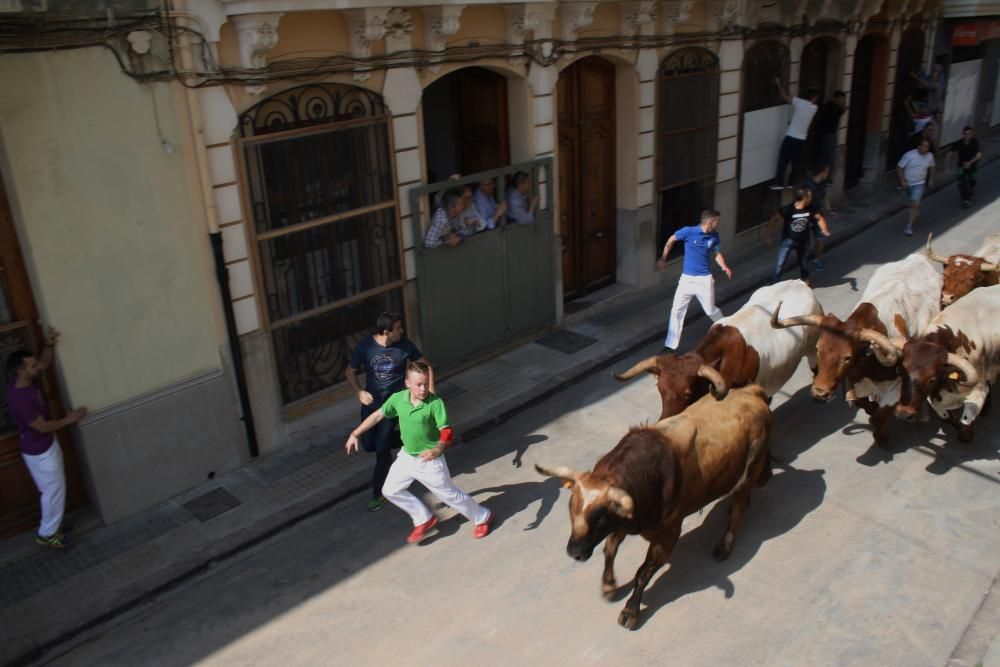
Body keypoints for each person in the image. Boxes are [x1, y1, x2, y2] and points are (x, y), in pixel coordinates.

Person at [345, 361, 493, 543]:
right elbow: (378, 415)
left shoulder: (435, 403)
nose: (423, 389)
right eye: (418, 385)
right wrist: (355, 433)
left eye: (425, 383)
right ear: (407, 383)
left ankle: (483, 517)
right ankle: (423, 518)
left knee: (450, 495)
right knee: (390, 490)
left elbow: (446, 430)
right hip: (407, 457)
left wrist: (438, 449)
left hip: (431, 460)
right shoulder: (398, 399)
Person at [5, 328, 88, 549]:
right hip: (40, 452)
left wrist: (49, 344)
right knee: (52, 492)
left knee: (56, 489)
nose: (37, 367)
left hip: (46, 446)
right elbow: (42, 427)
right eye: (31, 366)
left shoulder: (25, 381)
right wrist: (69, 420)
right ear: (21, 372)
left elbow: (43, 363)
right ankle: (47, 534)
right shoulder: (19, 399)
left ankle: (54, 525)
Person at [345, 312, 433, 512]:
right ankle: (411, 440)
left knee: (382, 449)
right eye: (398, 328)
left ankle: (379, 494)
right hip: (370, 406)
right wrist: (359, 391)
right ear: (387, 332)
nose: (402, 331)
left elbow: (426, 366)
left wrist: (430, 394)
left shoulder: (405, 345)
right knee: (368, 445)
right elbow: (349, 371)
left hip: (393, 406)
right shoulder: (365, 347)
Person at [656, 209, 733, 354]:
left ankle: (727, 329)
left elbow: (716, 253)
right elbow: (671, 239)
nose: (719, 224)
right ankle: (670, 347)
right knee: (676, 310)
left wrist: (724, 267)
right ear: (710, 222)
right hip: (686, 280)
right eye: (717, 221)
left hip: (704, 280)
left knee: (710, 310)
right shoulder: (688, 231)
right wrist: (663, 258)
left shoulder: (714, 236)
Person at [767, 187, 830, 285]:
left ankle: (805, 282)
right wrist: (769, 236)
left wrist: (824, 229)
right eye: (810, 197)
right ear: (805, 198)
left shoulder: (811, 208)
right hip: (788, 241)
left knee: (804, 263)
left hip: (804, 242)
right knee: (780, 263)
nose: (811, 199)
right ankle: (774, 284)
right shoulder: (789, 209)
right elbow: (773, 220)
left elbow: (819, 218)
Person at [770, 79, 820, 190]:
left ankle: (779, 183)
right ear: (814, 98)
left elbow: (784, 96)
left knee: (783, 160)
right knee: (796, 163)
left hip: (791, 136)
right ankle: (792, 183)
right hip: (802, 139)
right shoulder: (814, 108)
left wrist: (779, 84)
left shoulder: (800, 102)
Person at [896, 138, 935, 236]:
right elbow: (900, 167)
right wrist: (902, 181)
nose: (926, 149)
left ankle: (909, 226)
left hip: (919, 184)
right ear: (919, 146)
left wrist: (931, 179)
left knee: (914, 204)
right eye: (924, 147)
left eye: (928, 147)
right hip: (907, 184)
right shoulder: (909, 155)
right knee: (908, 204)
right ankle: (916, 210)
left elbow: (933, 167)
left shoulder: (930, 156)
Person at [803, 164, 832, 270]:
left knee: (819, 239)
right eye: (827, 172)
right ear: (823, 172)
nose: (827, 174)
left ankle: (816, 259)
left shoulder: (822, 183)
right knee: (804, 240)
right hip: (807, 215)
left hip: (818, 215)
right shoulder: (807, 185)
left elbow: (825, 196)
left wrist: (829, 210)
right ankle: (803, 260)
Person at [814, 91, 846, 182]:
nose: (842, 101)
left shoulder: (828, 105)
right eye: (842, 99)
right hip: (829, 133)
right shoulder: (834, 108)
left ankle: (820, 175)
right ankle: (827, 177)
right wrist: (843, 107)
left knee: (823, 155)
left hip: (824, 133)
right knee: (830, 157)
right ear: (837, 98)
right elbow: (842, 110)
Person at [956, 126, 981, 208]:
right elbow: (950, 152)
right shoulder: (959, 142)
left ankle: (971, 188)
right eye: (965, 134)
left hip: (972, 165)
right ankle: (965, 200)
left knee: (973, 180)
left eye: (969, 134)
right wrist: (946, 166)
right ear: (963, 135)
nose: (967, 135)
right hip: (961, 166)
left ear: (972, 134)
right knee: (961, 183)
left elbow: (979, 155)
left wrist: (970, 163)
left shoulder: (975, 142)